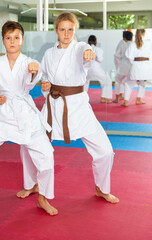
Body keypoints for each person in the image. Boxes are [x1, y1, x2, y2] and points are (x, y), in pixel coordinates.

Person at [0, 21, 57, 216]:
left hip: (24, 115)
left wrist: (33, 72)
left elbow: (30, 85)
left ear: (22, 40)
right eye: (8, 38)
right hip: (2, 113)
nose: (12, 41)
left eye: (16, 37)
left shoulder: (31, 62)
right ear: (3, 41)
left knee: (46, 155)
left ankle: (42, 198)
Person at [40, 12, 119, 204]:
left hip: (78, 107)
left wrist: (87, 53)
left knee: (105, 150)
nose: (66, 34)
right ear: (56, 31)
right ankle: (37, 186)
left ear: (75, 30)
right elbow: (44, 77)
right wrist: (45, 85)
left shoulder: (79, 48)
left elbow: (84, 53)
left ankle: (101, 188)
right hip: (54, 107)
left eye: (70, 29)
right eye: (62, 29)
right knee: (34, 147)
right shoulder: (49, 54)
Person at [123, 29, 152, 106]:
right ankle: (138, 99)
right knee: (141, 82)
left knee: (129, 84)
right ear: (144, 33)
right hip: (147, 67)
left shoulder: (133, 44)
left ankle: (126, 102)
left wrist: (134, 63)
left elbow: (128, 56)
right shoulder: (149, 42)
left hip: (136, 66)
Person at [85, 35, 113, 103]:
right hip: (95, 68)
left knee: (84, 83)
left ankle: (83, 99)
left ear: (88, 41)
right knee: (107, 80)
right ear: (95, 41)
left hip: (86, 68)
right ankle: (104, 97)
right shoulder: (98, 49)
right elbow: (100, 59)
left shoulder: (85, 49)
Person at [113, 31, 133, 103]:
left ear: (124, 38)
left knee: (118, 80)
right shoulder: (133, 45)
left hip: (123, 65)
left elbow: (116, 55)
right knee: (128, 82)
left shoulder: (122, 44)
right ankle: (127, 100)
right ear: (132, 38)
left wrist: (118, 65)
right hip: (132, 66)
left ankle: (117, 97)